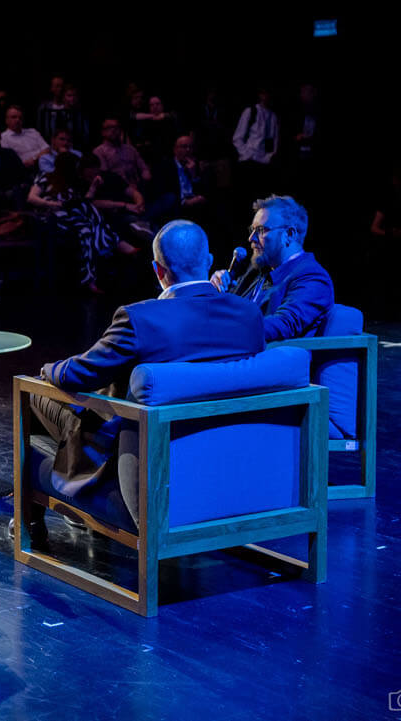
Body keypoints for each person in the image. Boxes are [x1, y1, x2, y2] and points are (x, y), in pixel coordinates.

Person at [21, 220, 264, 538]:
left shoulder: (141, 319)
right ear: (208, 261)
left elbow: (80, 373)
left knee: (33, 390)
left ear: (157, 270)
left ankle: (32, 521)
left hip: (144, 454)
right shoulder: (248, 315)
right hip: (228, 462)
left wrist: (48, 369)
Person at [211, 194, 334, 342]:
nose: (251, 238)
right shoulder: (259, 270)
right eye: (252, 230)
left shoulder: (312, 277)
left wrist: (225, 330)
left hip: (268, 353)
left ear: (289, 234)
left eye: (261, 230)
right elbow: (229, 310)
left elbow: (284, 324)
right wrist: (216, 290)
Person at [27, 155, 139, 294]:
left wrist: (93, 187)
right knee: (88, 211)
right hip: (52, 217)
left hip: (73, 218)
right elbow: (31, 198)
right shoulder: (46, 177)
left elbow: (83, 200)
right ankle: (115, 242)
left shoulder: (72, 183)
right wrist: (52, 204)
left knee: (86, 229)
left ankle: (89, 280)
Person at [92, 118, 150, 187]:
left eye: (116, 127)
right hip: (116, 189)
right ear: (103, 132)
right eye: (109, 127)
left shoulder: (130, 149)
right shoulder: (99, 151)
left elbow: (144, 168)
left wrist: (145, 178)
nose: (113, 130)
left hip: (138, 186)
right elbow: (105, 176)